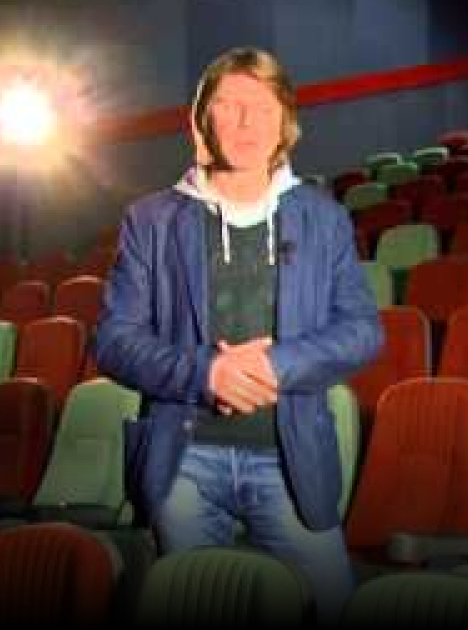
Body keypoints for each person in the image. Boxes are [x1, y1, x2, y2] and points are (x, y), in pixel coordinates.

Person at [91, 47, 382, 624]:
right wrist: (207, 374)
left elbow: (361, 331)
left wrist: (278, 365)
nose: (246, 121)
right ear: (202, 119)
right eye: (229, 105)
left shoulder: (324, 218)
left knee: (333, 604)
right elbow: (114, 339)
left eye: (263, 106)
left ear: (285, 122)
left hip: (290, 460)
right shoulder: (149, 220)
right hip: (184, 463)